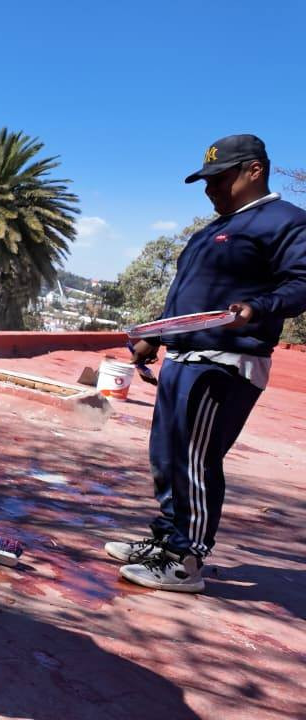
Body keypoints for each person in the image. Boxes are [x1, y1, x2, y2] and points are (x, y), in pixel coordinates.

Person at [108, 134, 306, 592]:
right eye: (206, 181)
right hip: (183, 357)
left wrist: (258, 307)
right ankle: (167, 540)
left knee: (195, 460)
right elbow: (186, 299)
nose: (209, 189)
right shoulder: (208, 231)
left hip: (224, 363)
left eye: (219, 179)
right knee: (167, 456)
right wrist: (153, 339)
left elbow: (301, 283)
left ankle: (185, 561)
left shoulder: (286, 223)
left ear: (254, 171)